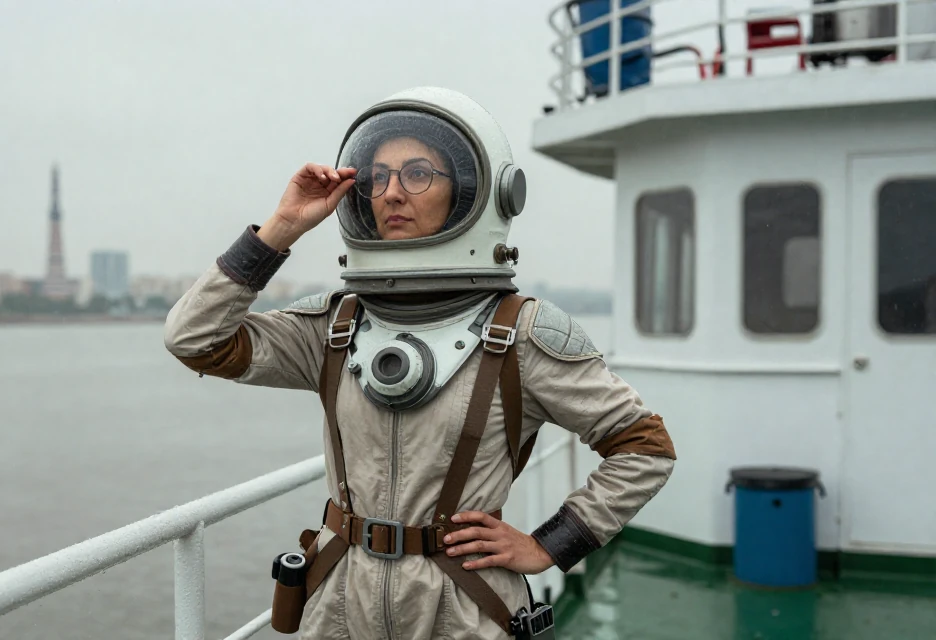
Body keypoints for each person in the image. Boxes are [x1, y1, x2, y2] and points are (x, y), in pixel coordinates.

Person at [164, 87, 676, 639]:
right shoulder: (334, 328)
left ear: (472, 194)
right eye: (376, 178)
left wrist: (551, 543)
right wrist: (282, 228)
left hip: (463, 605)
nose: (391, 193)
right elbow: (194, 339)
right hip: (339, 600)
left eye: (417, 174)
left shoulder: (522, 334)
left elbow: (644, 449)